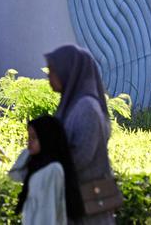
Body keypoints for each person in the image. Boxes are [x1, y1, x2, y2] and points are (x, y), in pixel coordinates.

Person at [46, 44, 119, 224]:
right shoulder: (73, 104)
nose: (49, 76)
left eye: (53, 71)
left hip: (88, 211)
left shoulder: (86, 108)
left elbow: (82, 156)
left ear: (68, 71)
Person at [7, 115, 84, 225]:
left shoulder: (53, 170)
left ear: (47, 138)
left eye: (34, 138)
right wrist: (29, 150)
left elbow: (49, 213)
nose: (29, 143)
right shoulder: (36, 166)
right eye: (28, 138)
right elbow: (15, 173)